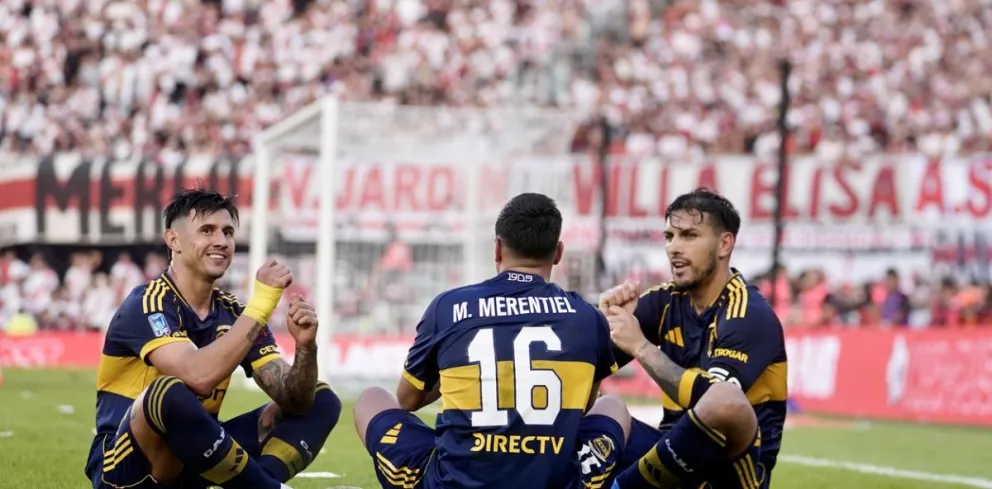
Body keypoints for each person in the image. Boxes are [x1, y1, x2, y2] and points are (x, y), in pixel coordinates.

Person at [353, 192, 632, 489]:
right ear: (559, 252)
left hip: (455, 483)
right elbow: (585, 405)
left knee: (371, 398)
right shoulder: (587, 317)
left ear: (497, 248)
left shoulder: (448, 306)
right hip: (552, 481)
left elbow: (407, 400)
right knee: (613, 406)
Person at [84, 189, 342, 489]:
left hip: (192, 459)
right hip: (127, 467)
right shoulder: (148, 302)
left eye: (228, 232)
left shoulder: (235, 313)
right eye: (207, 230)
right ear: (173, 240)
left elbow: (295, 402)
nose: (222, 241)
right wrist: (262, 304)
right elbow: (198, 376)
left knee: (321, 400)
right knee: (167, 391)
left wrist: (306, 349)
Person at [599, 188, 787, 489]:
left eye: (689, 236)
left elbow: (717, 401)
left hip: (727, 473)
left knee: (724, 399)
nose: (674, 247)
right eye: (669, 236)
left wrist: (641, 347)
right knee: (605, 408)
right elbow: (588, 365)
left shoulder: (749, 314)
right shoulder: (664, 301)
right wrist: (605, 320)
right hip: (672, 462)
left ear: (724, 244)